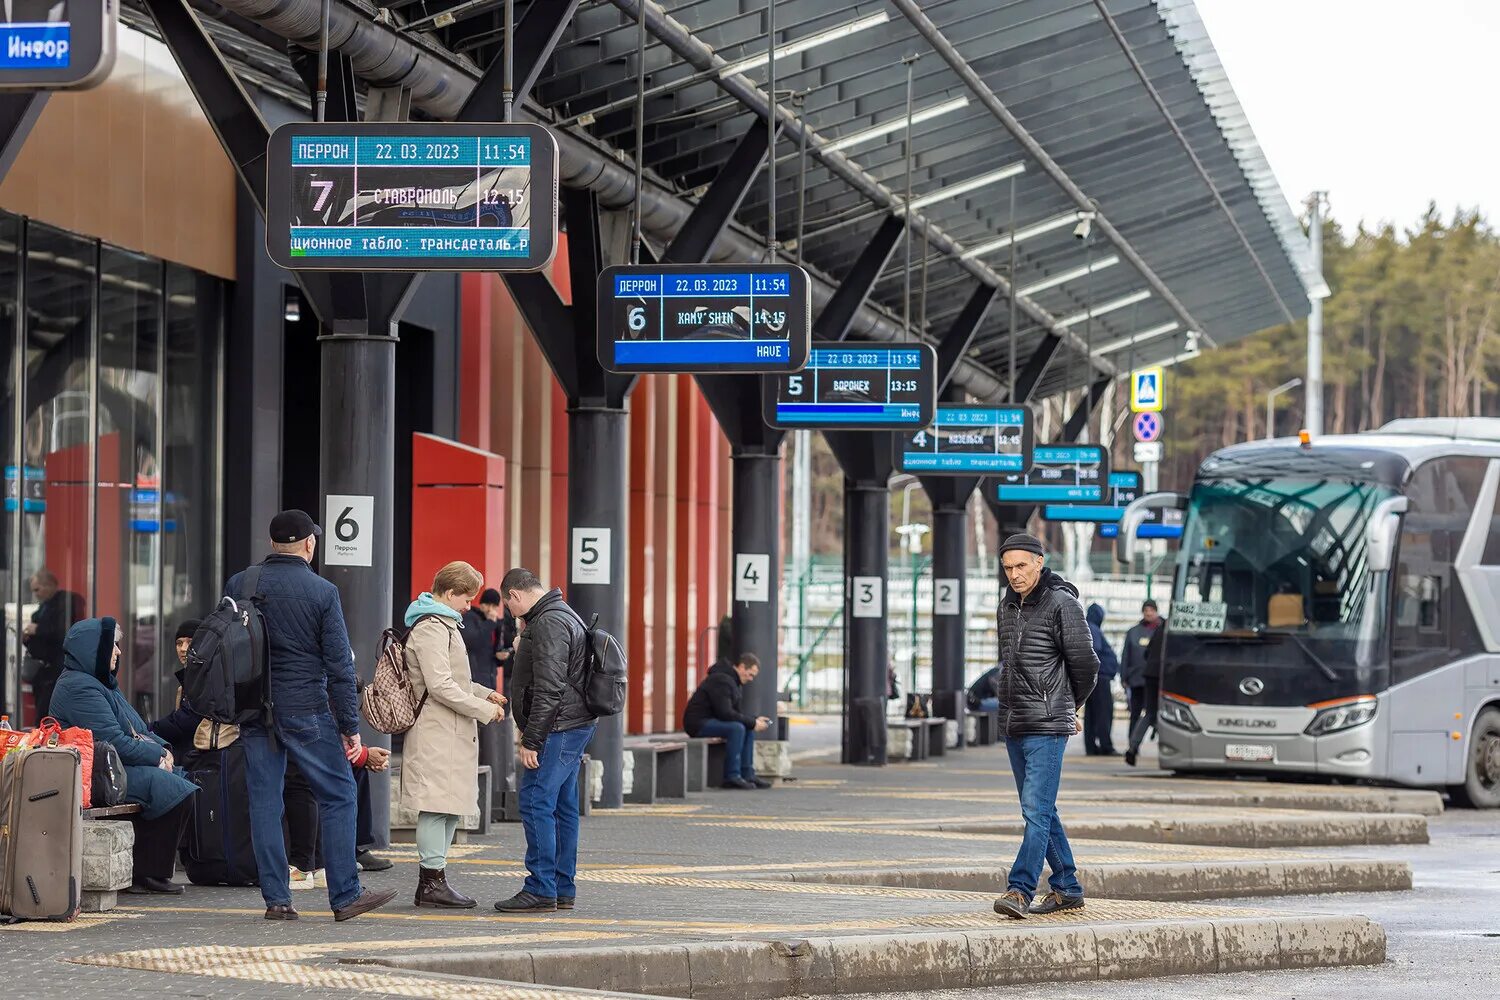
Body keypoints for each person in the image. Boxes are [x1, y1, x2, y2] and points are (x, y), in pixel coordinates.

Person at [225, 509, 395, 922]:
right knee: (338, 794)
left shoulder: (240, 583)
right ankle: (345, 895)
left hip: (252, 708)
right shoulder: (322, 592)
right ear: (309, 545)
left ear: (271, 544)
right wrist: (350, 729)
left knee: (265, 802)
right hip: (304, 708)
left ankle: (278, 901)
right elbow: (339, 666)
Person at [990, 534, 1099, 920]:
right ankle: (1067, 886)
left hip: (1048, 724)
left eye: (1021, 566)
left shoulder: (1062, 604)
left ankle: (1019, 889)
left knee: (1035, 810)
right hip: (1015, 722)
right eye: (1008, 568)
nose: (1015, 575)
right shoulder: (1006, 606)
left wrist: (1067, 706)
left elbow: (1087, 667)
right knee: (1040, 809)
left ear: (1040, 561)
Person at [49, 617, 196, 895]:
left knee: (181, 782)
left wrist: (164, 749)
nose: (118, 652)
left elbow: (139, 729)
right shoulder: (80, 687)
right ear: (96, 649)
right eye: (113, 646)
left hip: (116, 767)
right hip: (98, 774)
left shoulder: (102, 684)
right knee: (174, 789)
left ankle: (149, 870)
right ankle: (147, 873)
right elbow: (114, 740)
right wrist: (156, 756)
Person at [400, 561, 506, 909]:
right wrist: (483, 709)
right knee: (436, 805)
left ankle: (434, 882)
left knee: (446, 805)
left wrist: (482, 691)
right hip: (437, 729)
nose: (468, 605)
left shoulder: (443, 624)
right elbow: (440, 686)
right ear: (448, 593)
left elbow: (453, 682)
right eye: (465, 597)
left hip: (448, 728)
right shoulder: (431, 628)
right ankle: (432, 883)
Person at [493, 568, 596, 914]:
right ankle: (561, 887)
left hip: (558, 729)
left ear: (515, 596)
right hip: (572, 725)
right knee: (563, 807)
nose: (509, 612)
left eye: (508, 605)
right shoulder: (559, 614)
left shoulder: (549, 622)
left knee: (536, 801)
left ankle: (540, 887)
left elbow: (551, 687)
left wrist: (532, 739)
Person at [682, 653, 773, 790]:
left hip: (711, 720)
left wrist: (753, 720)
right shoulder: (721, 680)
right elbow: (725, 713)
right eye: (750, 674)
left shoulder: (733, 681)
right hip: (697, 723)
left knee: (746, 726)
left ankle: (747, 773)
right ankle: (732, 776)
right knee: (737, 728)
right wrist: (752, 722)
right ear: (742, 667)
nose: (751, 679)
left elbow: (733, 713)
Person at [22, 569, 83, 722]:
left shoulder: (65, 602)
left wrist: (38, 629)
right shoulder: (43, 607)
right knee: (41, 712)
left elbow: (63, 630)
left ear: (49, 585)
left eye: (38, 589)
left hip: (56, 667)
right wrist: (28, 638)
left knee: (48, 714)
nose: (36, 594)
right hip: (42, 669)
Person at [149, 619, 206, 760]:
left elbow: (184, 721)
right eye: (179, 643)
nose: (183, 648)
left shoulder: (205, 678)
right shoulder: (188, 680)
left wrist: (149, 729)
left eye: (189, 642)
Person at [1120, 601, 1162, 752]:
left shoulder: (1162, 629)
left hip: (1156, 681)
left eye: (1151, 610)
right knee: (1135, 713)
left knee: (1154, 714)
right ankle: (1133, 745)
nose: (1148, 613)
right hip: (1136, 679)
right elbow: (1126, 655)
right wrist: (1124, 677)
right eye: (1146, 610)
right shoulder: (1133, 632)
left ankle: (1161, 741)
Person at [1125, 619, 1168, 767]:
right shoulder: (1175, 629)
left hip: (1149, 674)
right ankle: (1170, 747)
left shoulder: (1160, 628)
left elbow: (1147, 652)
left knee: (1150, 713)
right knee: (1169, 713)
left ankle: (1133, 746)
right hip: (1164, 675)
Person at [1083, 604, 1120, 756]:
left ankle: (1091, 747)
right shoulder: (1094, 629)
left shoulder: (1088, 627)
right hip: (1100, 677)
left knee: (1091, 714)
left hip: (1092, 678)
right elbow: (1094, 651)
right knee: (1104, 713)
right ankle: (1106, 746)